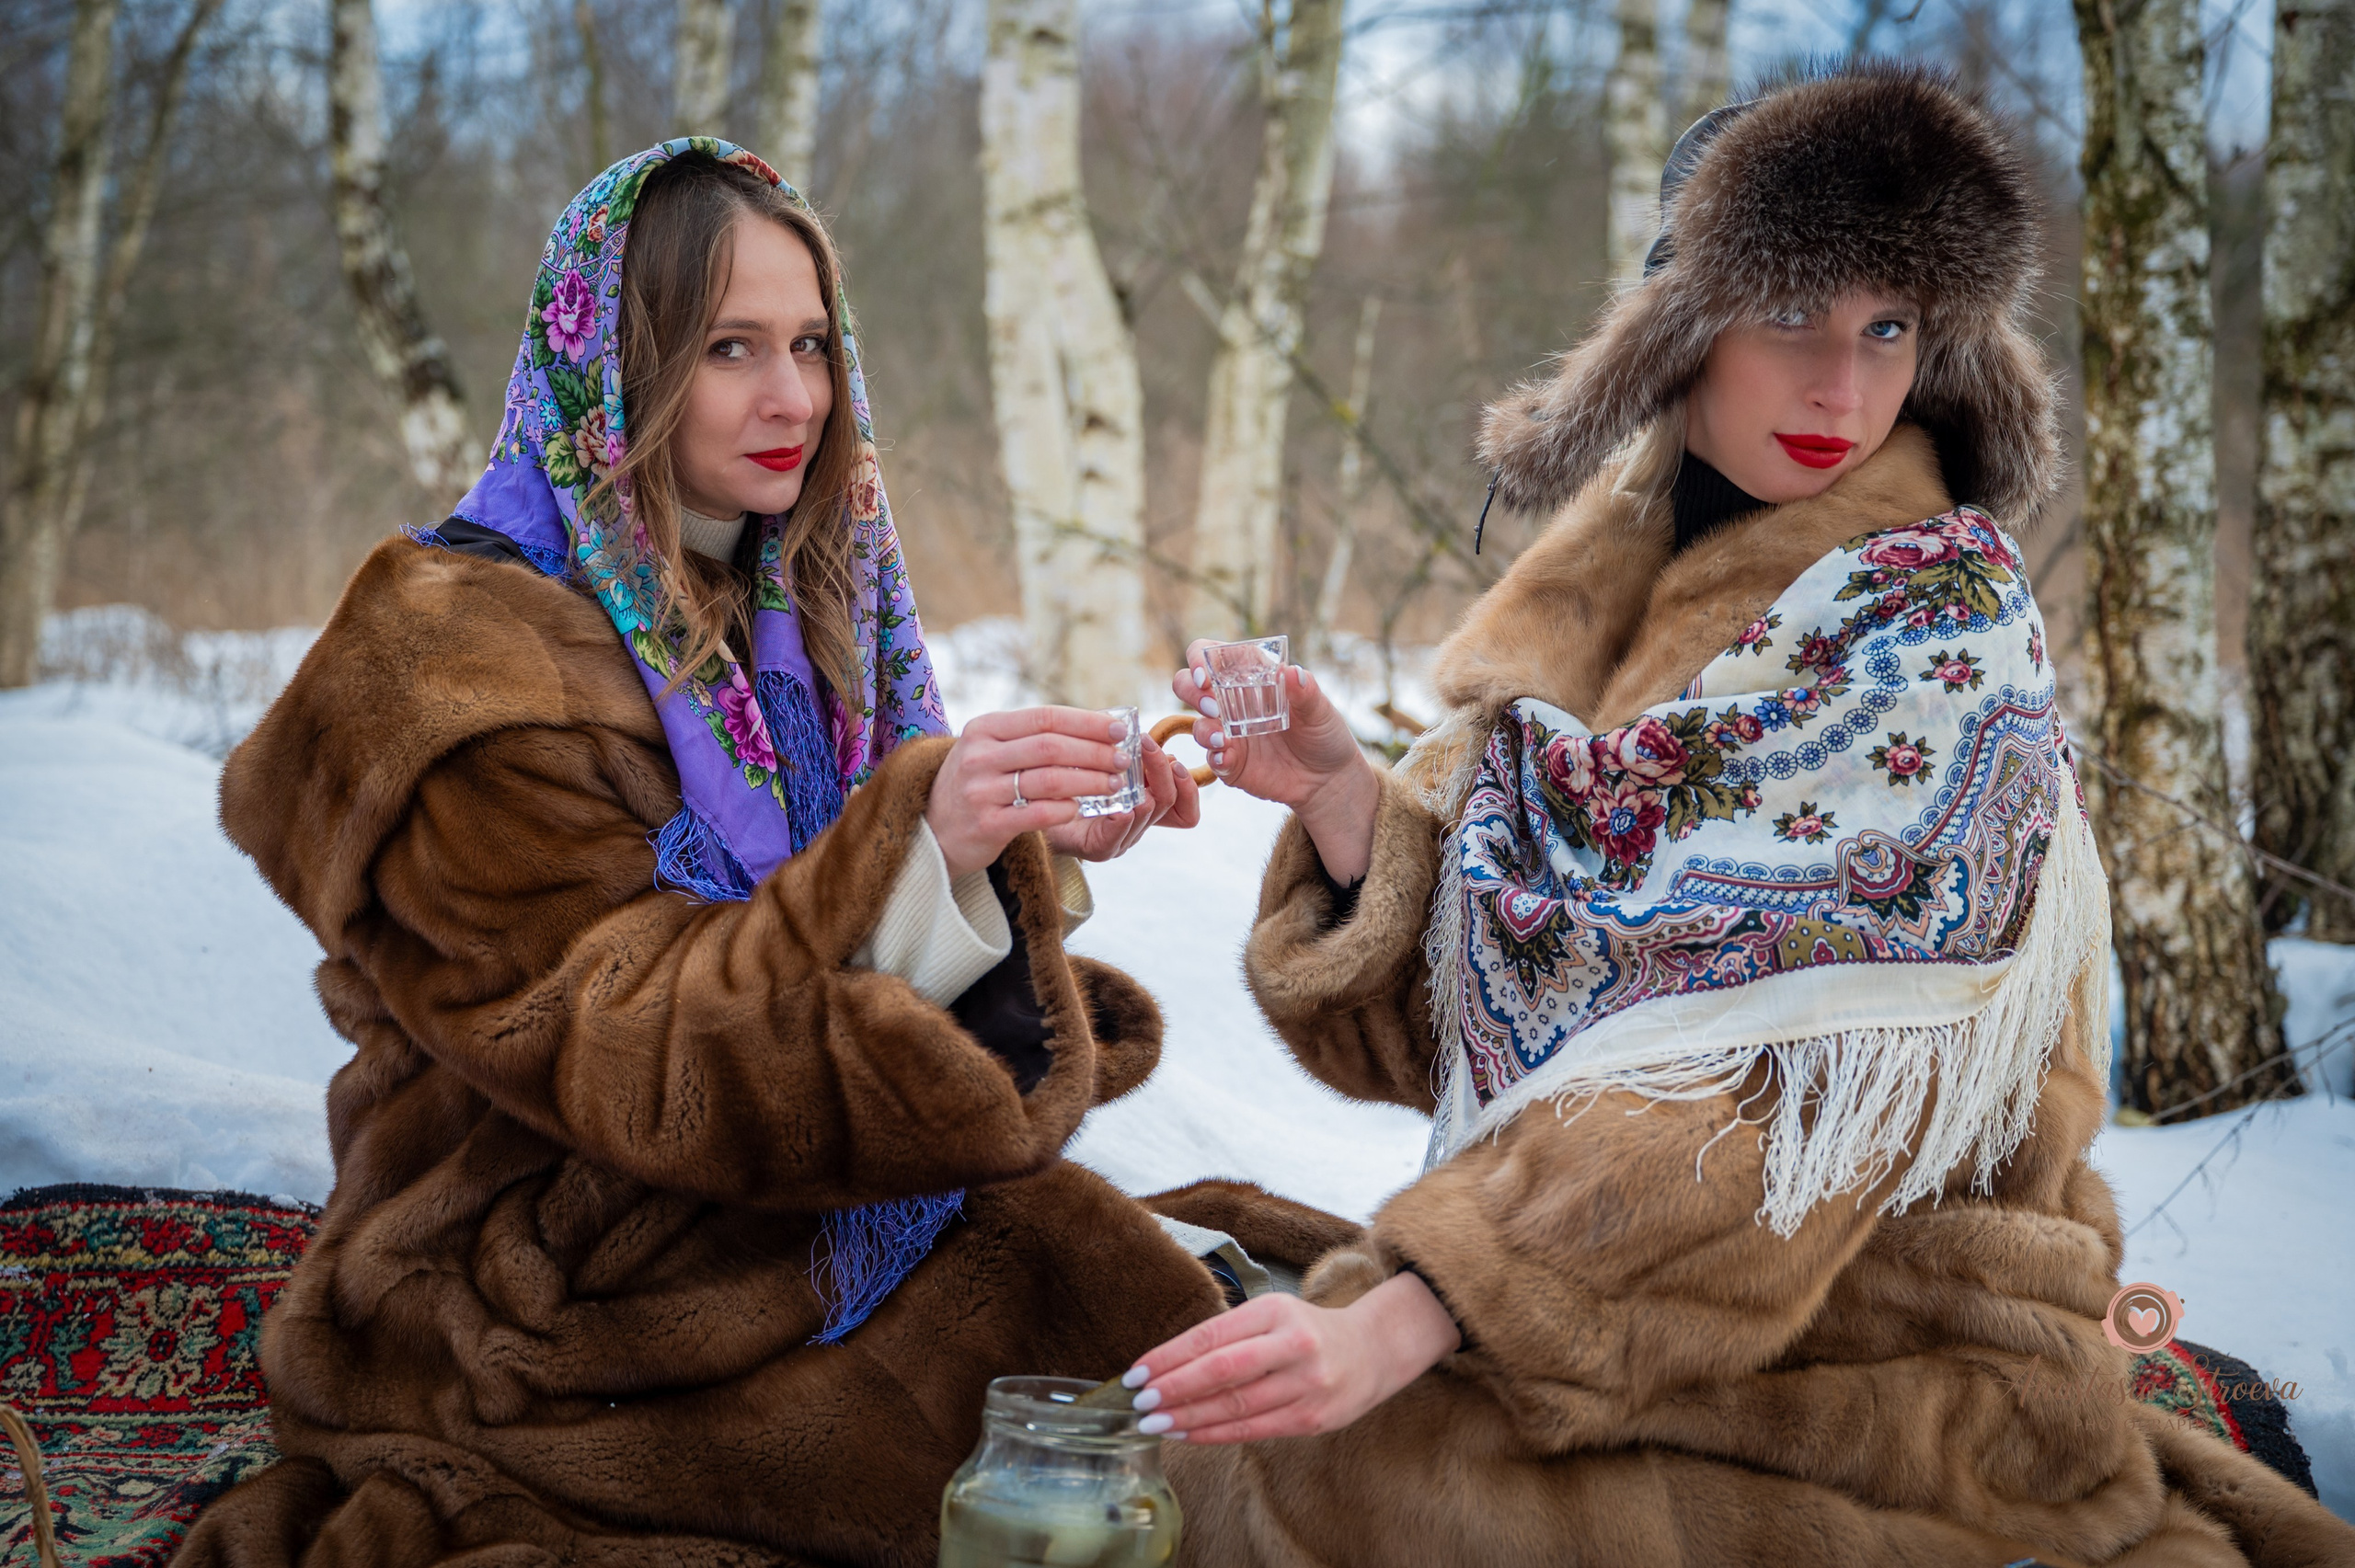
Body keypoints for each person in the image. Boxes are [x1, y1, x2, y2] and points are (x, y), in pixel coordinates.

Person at [1133, 67, 2355, 1566]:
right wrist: (1340, 797)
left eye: (1890, 327)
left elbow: (1783, 1106)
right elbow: (1474, 1037)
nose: (1844, 389)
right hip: (1626, 1296)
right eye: (1793, 318)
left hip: (1892, 1343)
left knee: (1348, 1476)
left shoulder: (1932, 644)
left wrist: (1427, 1308)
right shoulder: (1588, 625)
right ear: (1682, 330)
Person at [177, 140, 1353, 1566]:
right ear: (617, 361)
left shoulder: (785, 601)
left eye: (809, 343)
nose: (793, 397)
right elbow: (634, 1047)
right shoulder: (456, 675)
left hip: (789, 1204)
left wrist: (1013, 846)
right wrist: (928, 842)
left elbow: (825, 915)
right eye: (730, 348)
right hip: (545, 1272)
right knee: (1133, 1475)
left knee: (1255, 1374)